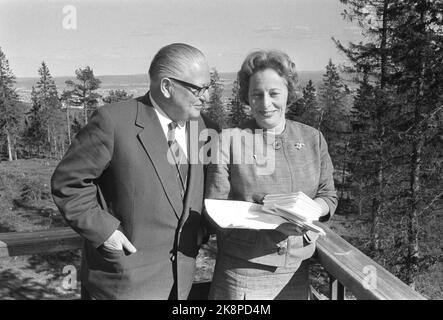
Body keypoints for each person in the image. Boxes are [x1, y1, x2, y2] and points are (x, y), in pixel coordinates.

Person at [51, 43, 215, 299]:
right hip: (122, 282)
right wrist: (106, 232)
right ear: (166, 87)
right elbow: (68, 183)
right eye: (199, 88)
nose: (207, 96)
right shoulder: (113, 122)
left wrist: (204, 227)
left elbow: (209, 188)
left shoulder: (205, 128)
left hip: (180, 284)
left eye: (209, 86)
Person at [205, 49, 338, 300]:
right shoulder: (228, 141)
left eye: (274, 93)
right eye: (257, 94)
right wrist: (272, 223)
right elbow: (215, 209)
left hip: (296, 271)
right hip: (243, 271)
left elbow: (328, 196)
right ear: (247, 97)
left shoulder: (312, 138)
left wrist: (308, 211)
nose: (266, 104)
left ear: (289, 92)